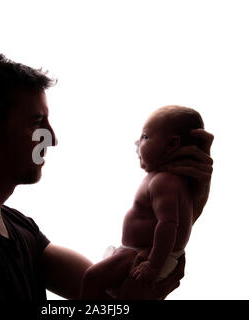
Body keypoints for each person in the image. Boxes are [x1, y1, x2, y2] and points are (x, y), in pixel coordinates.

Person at [0, 54, 214, 302]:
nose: (52, 139)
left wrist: (186, 205)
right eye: (37, 123)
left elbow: (103, 299)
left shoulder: (20, 230)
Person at [80, 106, 207, 299]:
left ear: (172, 144)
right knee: (107, 293)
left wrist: (153, 265)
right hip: (144, 253)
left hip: (147, 256)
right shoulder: (165, 179)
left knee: (91, 278)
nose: (137, 142)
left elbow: (169, 225)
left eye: (145, 137)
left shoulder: (164, 181)